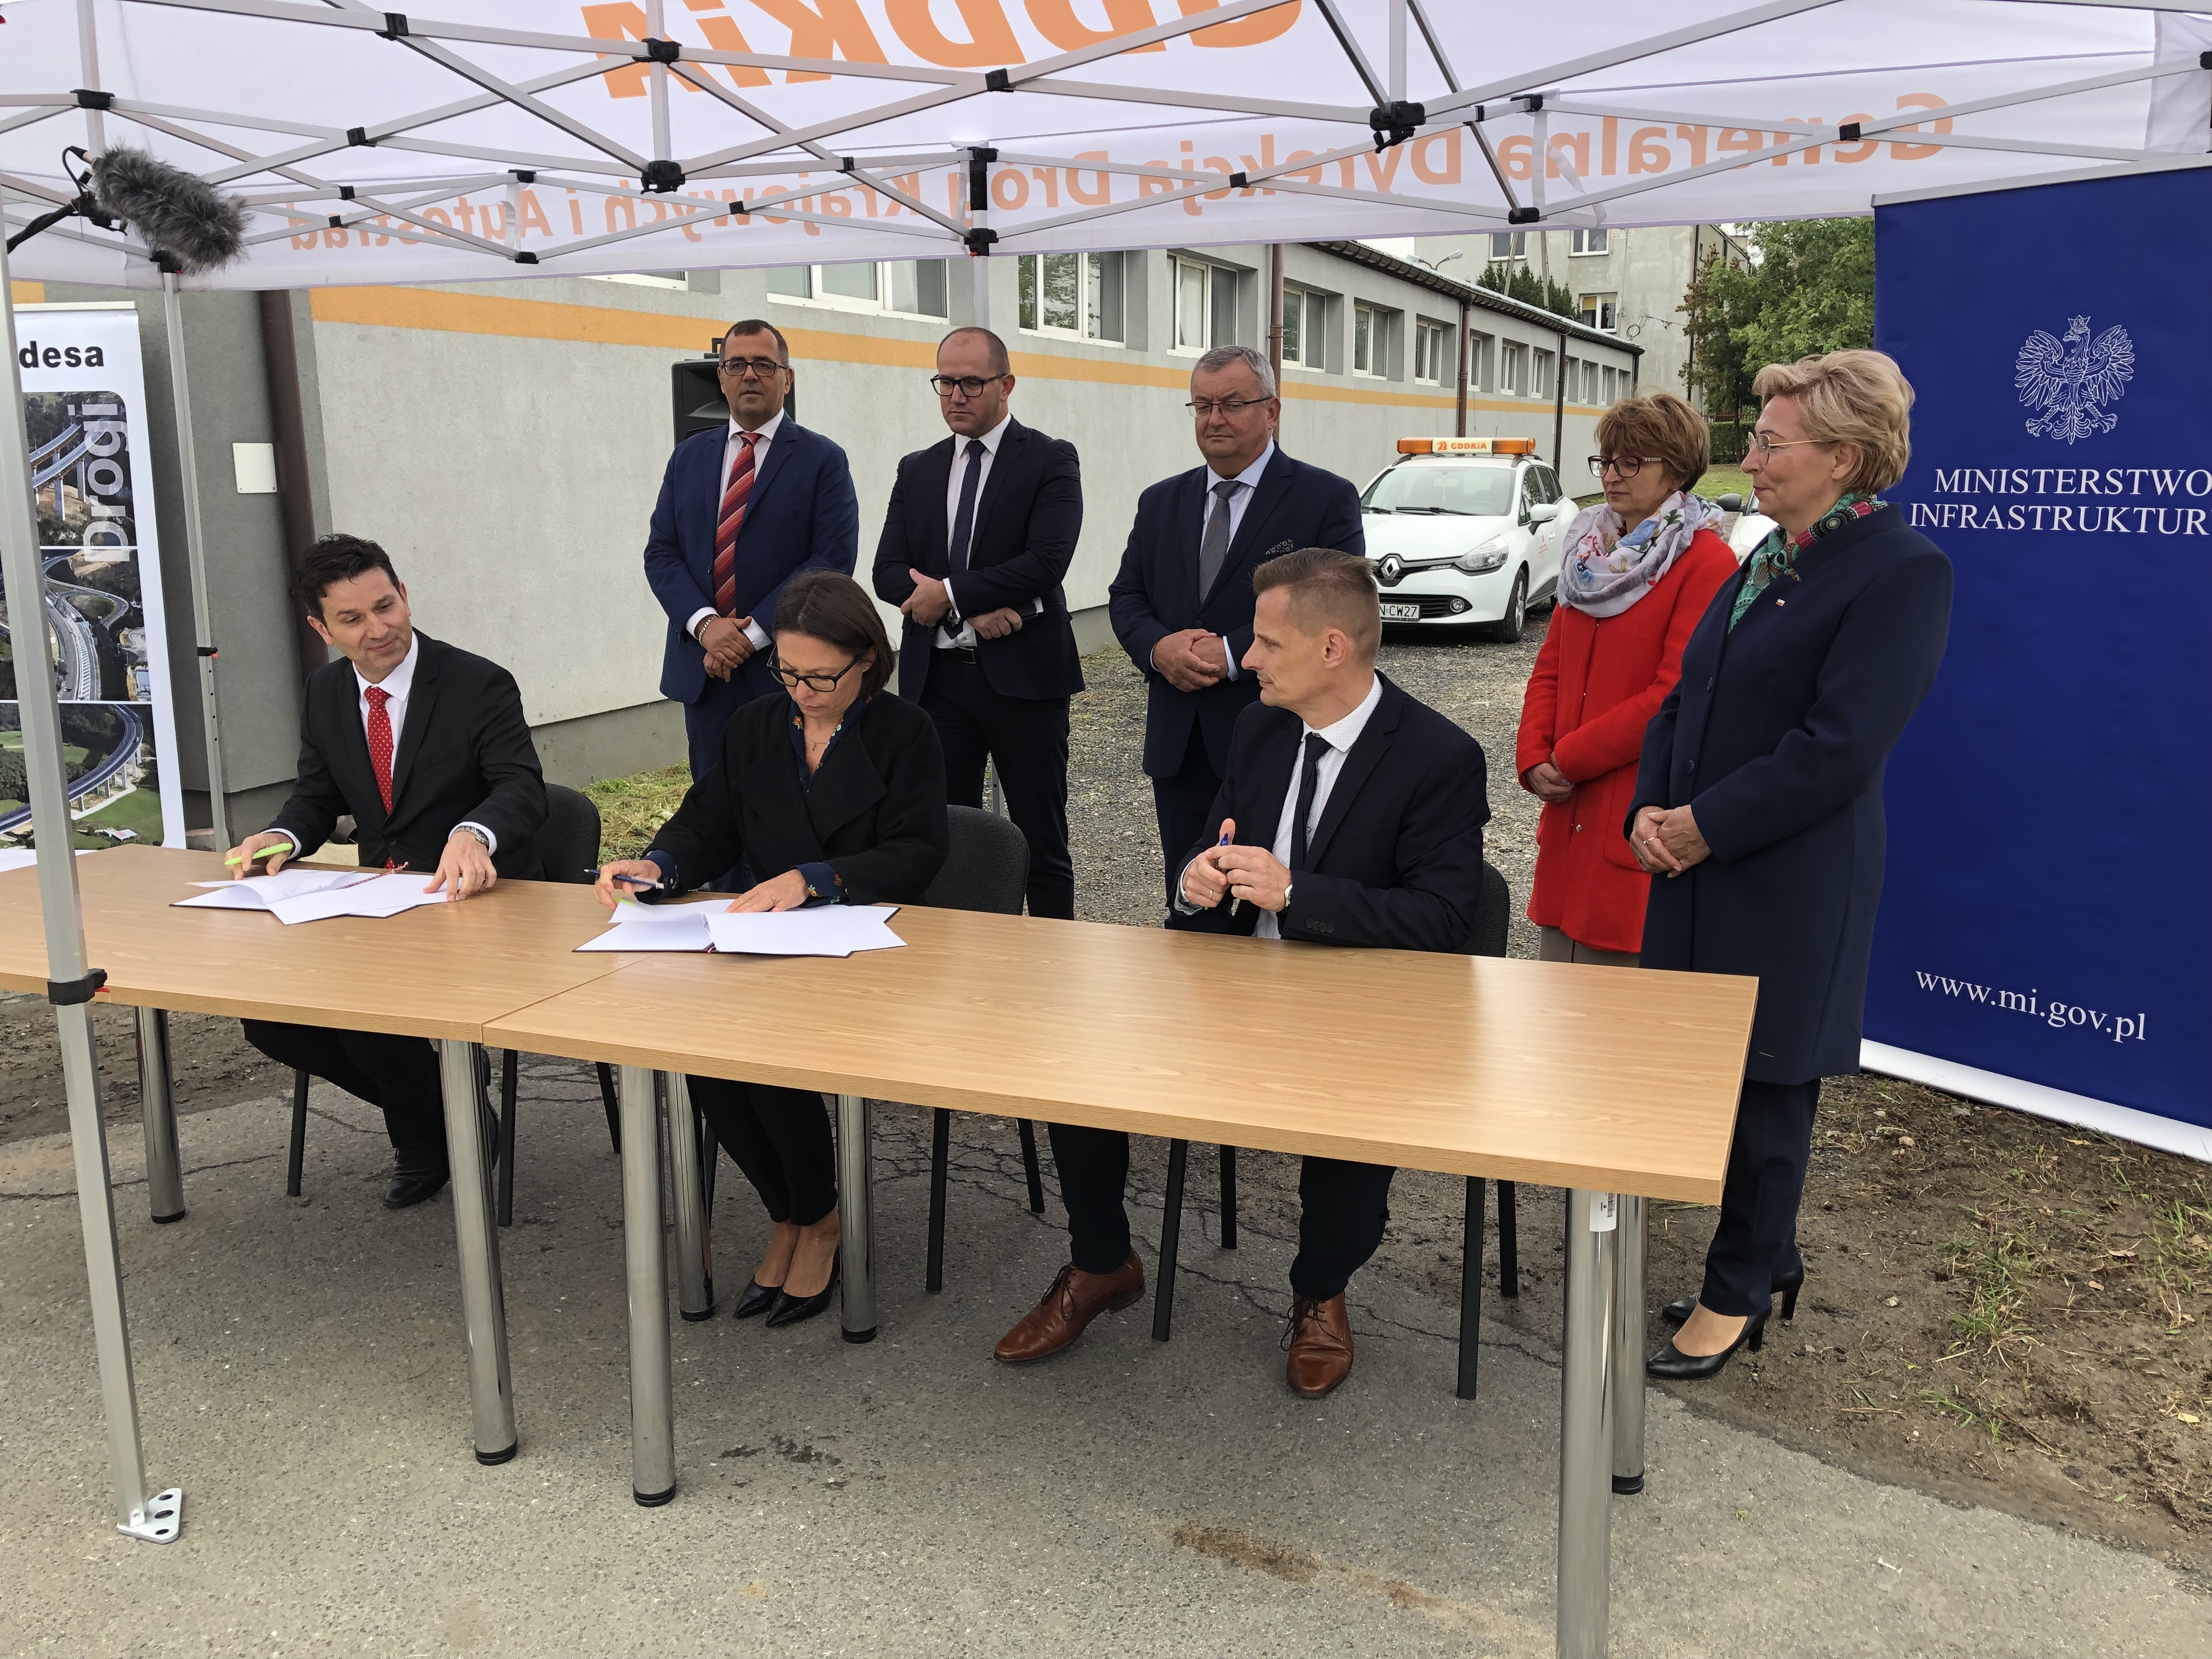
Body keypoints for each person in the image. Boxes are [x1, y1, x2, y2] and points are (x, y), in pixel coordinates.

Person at [996, 549, 1489, 1397]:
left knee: (1352, 1113)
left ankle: (1320, 1290)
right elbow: (1215, 847)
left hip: (1357, 1009)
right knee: (1077, 1056)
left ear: (1332, 649)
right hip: (1230, 991)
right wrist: (1196, 879)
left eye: (1266, 642)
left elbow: (1446, 920)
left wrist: (1298, 895)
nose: (1247, 657)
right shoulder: (1260, 728)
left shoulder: (1438, 756)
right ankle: (1102, 1263)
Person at [1629, 351, 1952, 1379]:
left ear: (1843, 457)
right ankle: (1769, 1253)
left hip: (1788, 879)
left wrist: (1702, 825)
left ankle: (1735, 1292)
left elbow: (1839, 748)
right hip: (1700, 860)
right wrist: (1648, 807)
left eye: (1771, 443)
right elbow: (1685, 696)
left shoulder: (1901, 571)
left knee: (1769, 1087)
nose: (1752, 459)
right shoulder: (1769, 552)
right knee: (1713, 1078)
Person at [595, 571, 948, 1328]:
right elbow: (709, 822)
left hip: (868, 948)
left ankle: (818, 1220)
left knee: (769, 1054)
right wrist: (658, 866)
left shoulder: (906, 731)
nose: (803, 692)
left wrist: (813, 878)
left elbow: (917, 853)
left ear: (867, 660)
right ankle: (788, 1213)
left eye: (822, 677)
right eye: (788, 673)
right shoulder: (757, 724)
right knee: (707, 1057)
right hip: (768, 944)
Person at [227, 534, 548, 1209]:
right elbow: (318, 796)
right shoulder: (324, 691)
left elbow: (521, 786)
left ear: (404, 594)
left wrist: (474, 832)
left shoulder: (477, 682)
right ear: (321, 629)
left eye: (385, 606)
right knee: (269, 1020)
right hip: (378, 904)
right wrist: (284, 834)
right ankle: (447, 1106)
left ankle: (423, 1138)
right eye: (352, 619)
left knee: (366, 1017)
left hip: (474, 902)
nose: (379, 629)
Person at [1109, 343, 1364, 899]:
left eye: (1231, 403)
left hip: (1282, 734)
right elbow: (1127, 596)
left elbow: (1335, 606)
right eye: (1202, 406)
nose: (1214, 419)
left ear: (1272, 411)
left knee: (1269, 896)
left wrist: (1229, 654)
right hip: (1181, 740)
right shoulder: (1160, 502)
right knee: (1190, 893)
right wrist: (1158, 649)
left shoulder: (1324, 499)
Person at [1515, 391, 1737, 966]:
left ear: (1677, 470)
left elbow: (1673, 695)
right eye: (1606, 461)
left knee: (1612, 1000)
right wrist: (1532, 753)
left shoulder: (1705, 562)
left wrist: (1569, 758)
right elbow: (1551, 664)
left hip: (1629, 808)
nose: (1611, 475)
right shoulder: (1587, 551)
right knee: (1548, 998)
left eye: (1631, 462)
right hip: (1566, 817)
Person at [871, 326, 1084, 920]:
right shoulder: (917, 468)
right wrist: (964, 604)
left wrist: (950, 593)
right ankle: (952, 962)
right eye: (945, 383)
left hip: (1024, 683)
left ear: (1006, 385)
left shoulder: (1049, 459)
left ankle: (1053, 961)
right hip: (937, 684)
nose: (956, 396)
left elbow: (1047, 561)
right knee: (943, 840)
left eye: (971, 383)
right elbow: (887, 571)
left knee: (1042, 842)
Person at [645, 319, 860, 779]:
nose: (749, 375)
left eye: (764, 364)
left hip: (787, 672)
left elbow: (832, 560)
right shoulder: (688, 457)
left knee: (788, 801)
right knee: (713, 805)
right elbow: (661, 552)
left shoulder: (823, 460)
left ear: (788, 377)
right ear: (720, 377)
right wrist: (707, 627)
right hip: (705, 669)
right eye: (736, 365)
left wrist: (749, 635)